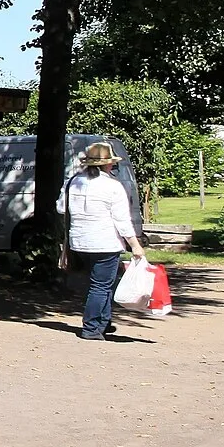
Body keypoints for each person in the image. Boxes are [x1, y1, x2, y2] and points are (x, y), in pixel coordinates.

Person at [58, 140, 146, 340]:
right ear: (108, 164)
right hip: (105, 242)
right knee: (100, 286)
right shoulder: (113, 186)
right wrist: (135, 246)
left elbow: (61, 209)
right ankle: (90, 328)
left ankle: (103, 323)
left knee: (101, 284)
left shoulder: (72, 182)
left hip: (78, 242)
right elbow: (122, 220)